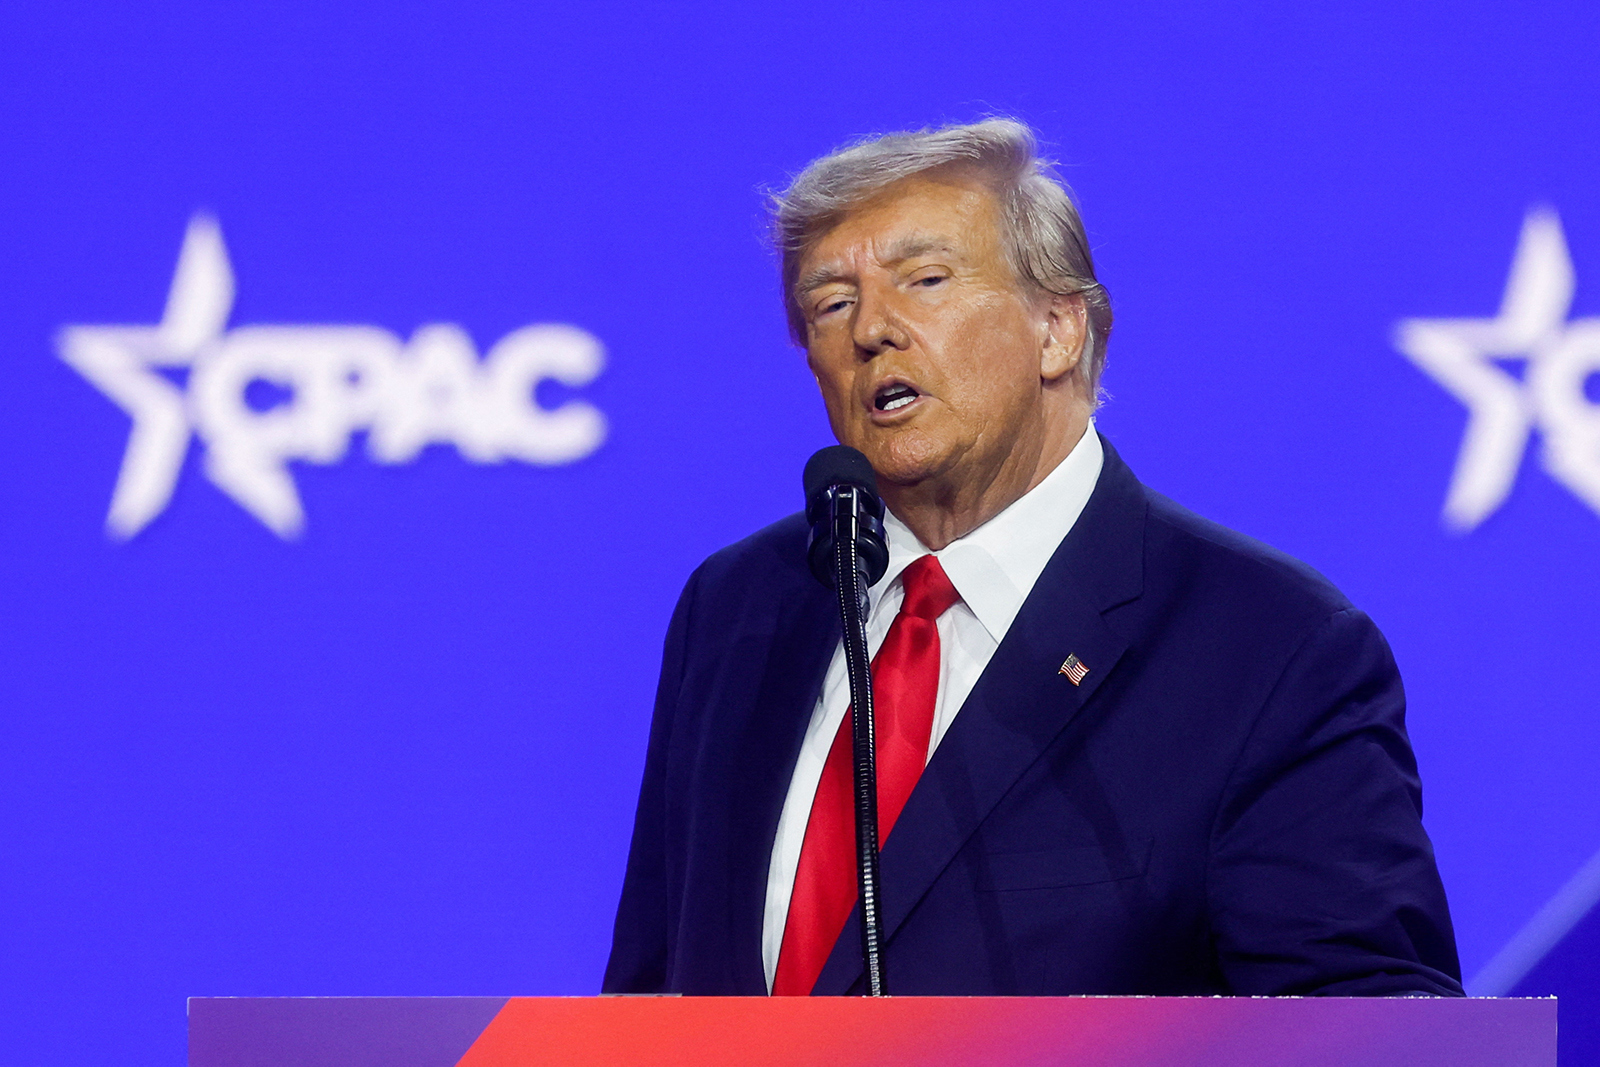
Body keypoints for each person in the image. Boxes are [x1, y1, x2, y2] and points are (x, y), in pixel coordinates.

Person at [603, 119, 1463, 997]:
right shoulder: (739, 606)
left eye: (925, 280)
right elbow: (645, 997)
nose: (871, 330)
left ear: (1057, 328)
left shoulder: (1270, 648)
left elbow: (1374, 1021)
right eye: (830, 303)